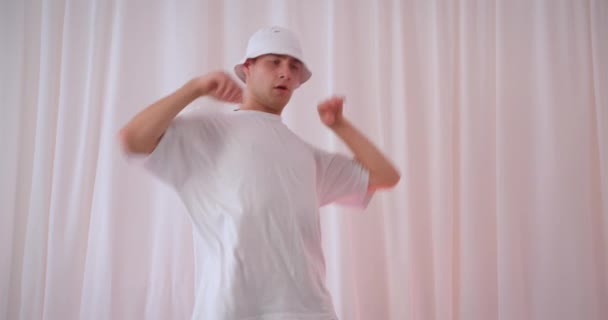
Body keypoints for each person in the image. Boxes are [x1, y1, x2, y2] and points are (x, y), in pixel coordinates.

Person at [119, 26, 400, 320]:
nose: (286, 73)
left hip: (310, 311)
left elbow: (385, 176)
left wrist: (339, 125)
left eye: (294, 66)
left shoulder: (306, 155)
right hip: (232, 310)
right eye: (274, 62)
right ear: (248, 68)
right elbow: (134, 139)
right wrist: (195, 88)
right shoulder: (208, 134)